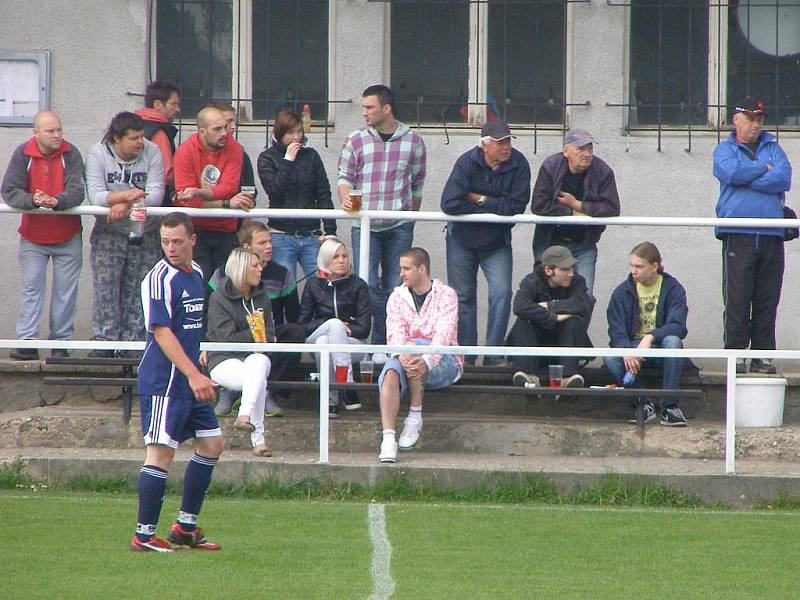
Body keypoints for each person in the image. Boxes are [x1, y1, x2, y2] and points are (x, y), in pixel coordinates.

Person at [131, 212, 222, 552]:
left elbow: (189, 327)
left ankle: (185, 527)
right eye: (165, 241)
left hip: (188, 378)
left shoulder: (197, 273)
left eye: (178, 241)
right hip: (164, 382)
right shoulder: (158, 278)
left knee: (212, 444)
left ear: (193, 240)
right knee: (160, 453)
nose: (171, 248)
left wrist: (198, 360)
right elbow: (162, 331)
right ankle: (143, 536)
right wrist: (193, 373)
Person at [337, 84, 426, 361]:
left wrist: (409, 218)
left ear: (386, 109)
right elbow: (344, 178)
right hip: (364, 226)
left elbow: (417, 185)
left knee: (396, 285)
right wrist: (345, 200)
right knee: (367, 285)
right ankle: (376, 345)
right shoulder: (355, 139)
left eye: (369, 107)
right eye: (363, 107)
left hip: (398, 225)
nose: (364, 112)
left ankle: (387, 346)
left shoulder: (413, 141)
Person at [440, 119, 531, 366]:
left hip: (496, 242)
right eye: (500, 142)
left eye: (508, 141)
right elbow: (449, 204)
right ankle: (467, 356)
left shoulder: (519, 163)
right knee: (463, 297)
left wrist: (479, 199)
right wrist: (496, 203)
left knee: (501, 294)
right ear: (485, 145)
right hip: (462, 240)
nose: (506, 147)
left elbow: (516, 206)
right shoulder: (466, 162)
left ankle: (493, 355)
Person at [713, 97, 792, 375]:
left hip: (771, 233)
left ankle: (761, 356)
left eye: (760, 119)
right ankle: (735, 357)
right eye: (751, 118)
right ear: (737, 120)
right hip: (739, 234)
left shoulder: (774, 147)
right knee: (736, 300)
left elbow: (784, 179)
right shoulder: (724, 149)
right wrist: (762, 168)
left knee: (767, 299)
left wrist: (751, 176)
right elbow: (730, 172)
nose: (756, 124)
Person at [1, 111, 85, 360]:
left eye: (59, 129)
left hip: (68, 233)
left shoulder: (71, 153)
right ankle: (27, 341)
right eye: (51, 131)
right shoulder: (22, 153)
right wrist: (32, 200)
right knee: (31, 288)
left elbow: (77, 191)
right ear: (35, 133)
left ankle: (61, 344)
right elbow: (9, 190)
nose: (58, 135)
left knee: (65, 291)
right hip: (32, 235)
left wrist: (56, 201)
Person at [85, 111, 165, 357]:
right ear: (116, 139)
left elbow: (156, 194)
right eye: (133, 138)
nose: (140, 142)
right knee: (106, 288)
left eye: (141, 136)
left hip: (145, 231)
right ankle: (104, 342)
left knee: (139, 290)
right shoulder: (97, 153)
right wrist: (125, 196)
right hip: (109, 232)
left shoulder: (153, 152)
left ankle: (134, 344)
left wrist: (124, 204)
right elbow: (96, 194)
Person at [209, 222, 306, 416]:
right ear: (246, 247)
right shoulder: (222, 275)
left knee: (295, 332)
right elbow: (210, 316)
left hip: (268, 335)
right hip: (232, 337)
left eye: (270, 242)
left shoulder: (282, 275)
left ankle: (268, 391)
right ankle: (231, 390)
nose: (269, 247)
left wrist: (267, 337)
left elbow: (294, 315)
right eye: (262, 243)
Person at [377, 248, 462, 463]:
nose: (401, 274)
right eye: (401, 269)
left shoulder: (447, 295)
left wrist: (424, 358)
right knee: (390, 373)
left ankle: (414, 416)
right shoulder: (397, 297)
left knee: (415, 350)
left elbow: (443, 336)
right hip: (407, 358)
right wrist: (401, 354)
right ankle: (388, 439)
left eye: (406, 269)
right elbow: (394, 333)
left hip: (444, 363)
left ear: (422, 269)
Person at [603, 242, 689, 427]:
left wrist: (650, 338)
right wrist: (626, 350)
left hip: (659, 346)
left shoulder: (673, 289)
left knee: (673, 342)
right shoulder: (622, 292)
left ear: (654, 266)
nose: (634, 271)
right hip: (633, 347)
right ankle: (644, 402)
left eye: (639, 266)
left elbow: (678, 326)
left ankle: (669, 407)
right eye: (632, 266)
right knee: (610, 358)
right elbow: (615, 330)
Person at [530, 128, 620, 298]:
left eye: (590, 149)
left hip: (584, 243)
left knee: (585, 297)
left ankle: (574, 325)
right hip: (549, 241)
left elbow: (612, 208)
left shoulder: (603, 171)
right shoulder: (551, 166)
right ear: (566, 150)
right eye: (580, 149)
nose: (586, 154)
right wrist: (572, 212)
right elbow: (539, 205)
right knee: (543, 293)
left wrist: (577, 204)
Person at [173, 105, 253, 292]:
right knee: (199, 287)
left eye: (225, 127)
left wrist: (199, 193)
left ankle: (221, 323)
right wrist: (227, 204)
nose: (225, 133)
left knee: (226, 286)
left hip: (225, 229)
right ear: (202, 131)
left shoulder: (235, 149)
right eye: (217, 129)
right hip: (194, 230)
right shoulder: (185, 151)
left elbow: (229, 188)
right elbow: (186, 200)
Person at [205, 248, 274, 457]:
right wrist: (255, 334)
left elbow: (271, 333)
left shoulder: (262, 297)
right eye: (255, 265)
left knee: (259, 364)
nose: (260, 269)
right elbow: (228, 339)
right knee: (258, 378)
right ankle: (258, 439)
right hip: (223, 360)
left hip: (254, 358)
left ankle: (244, 416)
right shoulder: (218, 298)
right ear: (241, 269)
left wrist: (259, 337)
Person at [258, 108, 337, 283]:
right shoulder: (267, 157)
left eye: (299, 131)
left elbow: (323, 193)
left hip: (311, 233)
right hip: (282, 234)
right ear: (279, 134)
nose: (296, 137)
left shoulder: (311, 156)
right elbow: (274, 191)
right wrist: (287, 160)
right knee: (286, 288)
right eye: (291, 132)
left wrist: (331, 232)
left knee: (322, 283)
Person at [298, 237, 371, 417]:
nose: (341, 260)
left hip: (353, 343)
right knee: (331, 327)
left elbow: (364, 328)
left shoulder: (358, 285)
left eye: (344, 256)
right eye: (335, 256)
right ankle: (347, 386)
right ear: (325, 260)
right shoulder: (313, 284)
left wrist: (343, 329)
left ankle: (330, 401)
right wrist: (330, 324)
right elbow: (303, 325)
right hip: (316, 336)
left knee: (325, 343)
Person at [507, 245, 593, 388]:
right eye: (565, 269)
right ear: (548, 270)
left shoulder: (578, 281)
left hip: (566, 348)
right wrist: (554, 318)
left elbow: (582, 304)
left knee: (572, 322)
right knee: (523, 322)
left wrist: (550, 306)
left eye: (571, 268)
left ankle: (567, 378)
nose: (571, 273)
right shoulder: (531, 281)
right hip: (536, 345)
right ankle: (527, 376)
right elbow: (519, 306)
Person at [135, 81, 180, 203]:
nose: (178, 109)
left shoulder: (134, 125)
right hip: (156, 201)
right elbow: (167, 173)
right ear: (157, 104)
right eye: (173, 104)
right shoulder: (159, 131)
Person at [211, 102, 259, 206]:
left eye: (235, 122)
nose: (233, 127)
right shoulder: (191, 151)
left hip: (234, 216)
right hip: (201, 217)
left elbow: (249, 191)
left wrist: (246, 219)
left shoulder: (241, 154)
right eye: (229, 122)